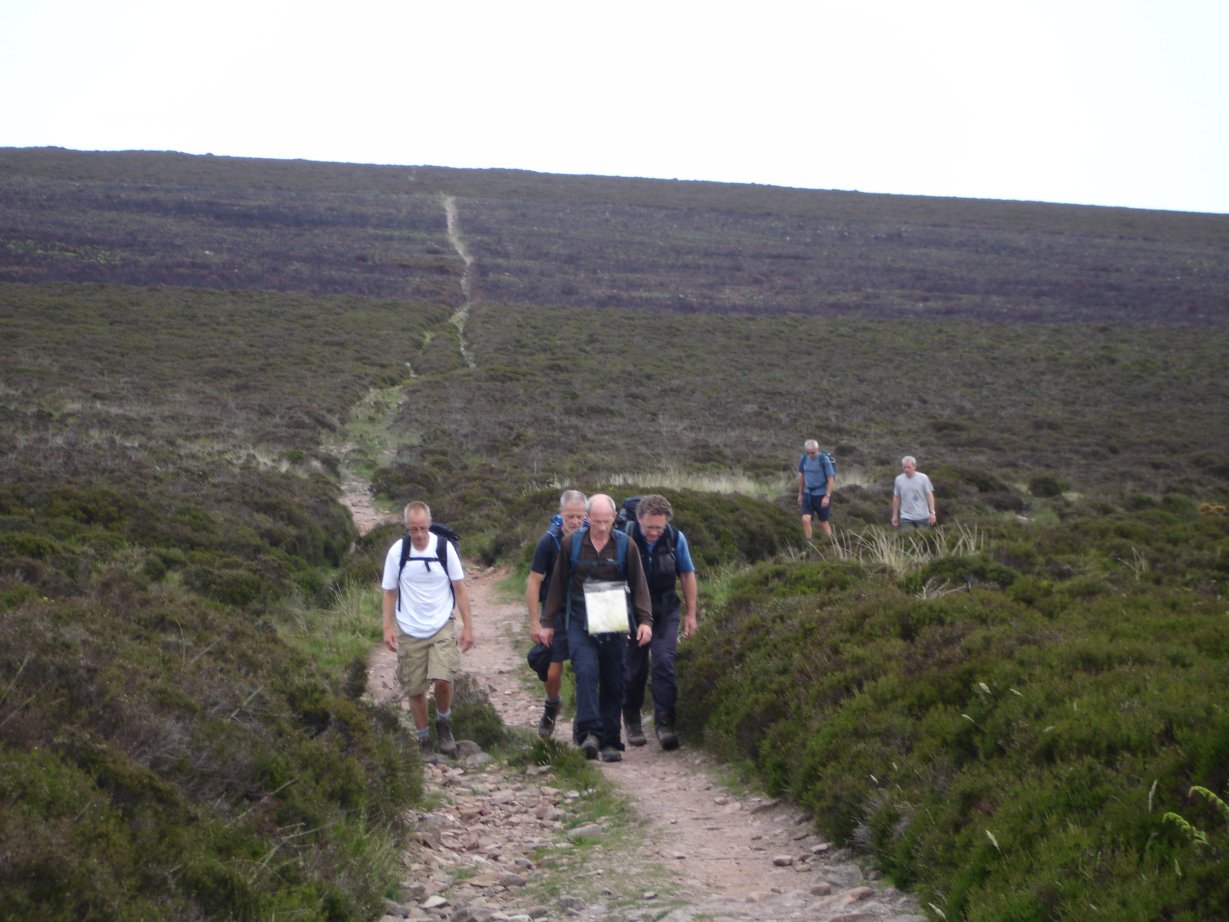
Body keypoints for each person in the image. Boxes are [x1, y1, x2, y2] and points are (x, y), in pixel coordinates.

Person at [540, 494, 652, 763]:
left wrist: (645, 621)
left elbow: (639, 585)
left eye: (607, 521)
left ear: (615, 518)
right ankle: (589, 733)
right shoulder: (571, 544)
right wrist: (546, 622)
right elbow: (557, 585)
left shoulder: (627, 545)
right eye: (597, 521)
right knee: (587, 671)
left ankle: (611, 740)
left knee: (614, 677)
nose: (602, 527)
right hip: (580, 618)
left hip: (614, 619)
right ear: (589, 518)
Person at [381, 501, 474, 764]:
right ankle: (424, 741)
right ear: (407, 528)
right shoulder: (397, 552)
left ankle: (443, 724)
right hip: (409, 629)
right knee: (415, 688)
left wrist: (468, 626)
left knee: (444, 679)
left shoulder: (444, 549)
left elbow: (460, 589)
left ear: (429, 525)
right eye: (413, 529)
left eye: (422, 528)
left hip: (441, 624)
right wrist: (387, 627)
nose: (419, 534)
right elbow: (389, 591)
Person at [621, 494, 698, 751]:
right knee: (634, 668)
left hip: (666, 608)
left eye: (659, 527)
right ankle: (631, 719)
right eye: (648, 527)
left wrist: (691, 615)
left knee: (664, 661)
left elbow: (687, 575)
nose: (653, 532)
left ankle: (665, 723)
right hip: (632, 611)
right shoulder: (625, 536)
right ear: (638, 520)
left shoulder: (676, 539)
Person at [525, 489, 588, 738]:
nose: (574, 521)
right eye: (570, 516)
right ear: (561, 514)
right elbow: (534, 582)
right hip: (556, 614)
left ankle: (584, 720)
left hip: (584, 611)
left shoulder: (594, 539)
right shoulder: (548, 542)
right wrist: (535, 622)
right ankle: (552, 706)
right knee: (552, 670)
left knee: (587, 668)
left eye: (579, 516)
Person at [797, 439, 836, 539]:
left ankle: (831, 543)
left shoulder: (824, 460)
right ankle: (809, 544)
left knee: (823, 522)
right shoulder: (804, 459)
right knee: (805, 520)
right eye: (808, 452)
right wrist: (800, 494)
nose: (810, 455)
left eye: (812, 452)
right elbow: (802, 476)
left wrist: (827, 496)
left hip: (821, 495)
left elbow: (830, 479)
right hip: (807, 495)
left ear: (817, 449)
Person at [892, 455, 937, 528]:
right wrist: (894, 515)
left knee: (923, 538)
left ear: (914, 466)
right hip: (906, 517)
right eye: (904, 467)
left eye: (908, 467)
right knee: (907, 538)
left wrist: (932, 512)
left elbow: (929, 495)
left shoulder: (923, 478)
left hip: (922, 517)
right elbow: (896, 497)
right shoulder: (898, 479)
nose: (906, 469)